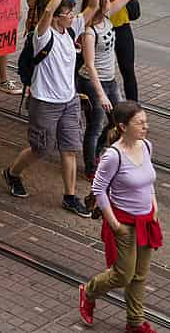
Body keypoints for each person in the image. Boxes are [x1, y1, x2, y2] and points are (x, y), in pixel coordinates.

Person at [4, 0, 99, 216]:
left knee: (70, 149)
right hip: (45, 102)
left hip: (69, 101)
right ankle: (12, 173)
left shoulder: (71, 30)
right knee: (40, 148)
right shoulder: (43, 35)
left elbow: (93, 8)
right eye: (67, 13)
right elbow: (47, 10)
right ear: (57, 17)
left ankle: (69, 196)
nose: (73, 16)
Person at [79, 102, 161, 333]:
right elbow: (99, 189)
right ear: (123, 126)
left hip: (147, 220)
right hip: (123, 223)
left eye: (146, 121)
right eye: (140, 123)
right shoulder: (113, 156)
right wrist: (114, 224)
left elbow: (148, 179)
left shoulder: (146, 146)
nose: (146, 126)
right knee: (123, 275)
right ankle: (89, 291)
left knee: (140, 275)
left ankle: (135, 322)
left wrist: (153, 205)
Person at [78, 0, 134, 178]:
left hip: (109, 80)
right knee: (96, 124)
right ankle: (90, 168)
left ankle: (99, 152)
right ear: (100, 4)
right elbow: (90, 64)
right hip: (93, 82)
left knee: (116, 118)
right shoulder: (89, 31)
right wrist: (100, 94)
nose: (111, 1)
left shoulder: (107, 17)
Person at [99, 0, 139, 101]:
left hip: (120, 27)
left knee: (127, 69)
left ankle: (133, 106)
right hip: (99, 27)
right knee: (91, 67)